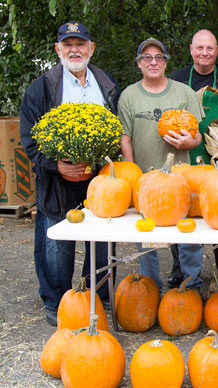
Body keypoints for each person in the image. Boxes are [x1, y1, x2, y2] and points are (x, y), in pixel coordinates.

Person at [19, 21, 121, 325]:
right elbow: (30, 139)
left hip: (99, 183)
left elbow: (117, 133)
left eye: (80, 44)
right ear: (58, 49)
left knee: (101, 244)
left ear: (91, 48)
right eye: (68, 44)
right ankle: (57, 301)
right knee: (56, 247)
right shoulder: (42, 88)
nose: (74, 50)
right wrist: (57, 165)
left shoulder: (107, 85)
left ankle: (97, 298)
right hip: (56, 183)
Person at [118, 37, 205, 292]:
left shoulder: (184, 92)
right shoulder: (129, 96)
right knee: (146, 239)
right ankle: (150, 289)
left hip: (181, 177)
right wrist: (132, 173)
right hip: (145, 178)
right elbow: (126, 137)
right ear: (139, 63)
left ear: (166, 62)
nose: (153, 62)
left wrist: (189, 142)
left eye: (158, 57)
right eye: (147, 57)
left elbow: (198, 135)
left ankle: (191, 286)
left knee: (188, 236)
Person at [168, 29, 218, 288]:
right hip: (186, 153)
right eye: (200, 48)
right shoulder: (178, 78)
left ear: (217, 50)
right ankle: (180, 269)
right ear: (191, 49)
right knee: (183, 211)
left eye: (210, 48)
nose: (205, 53)